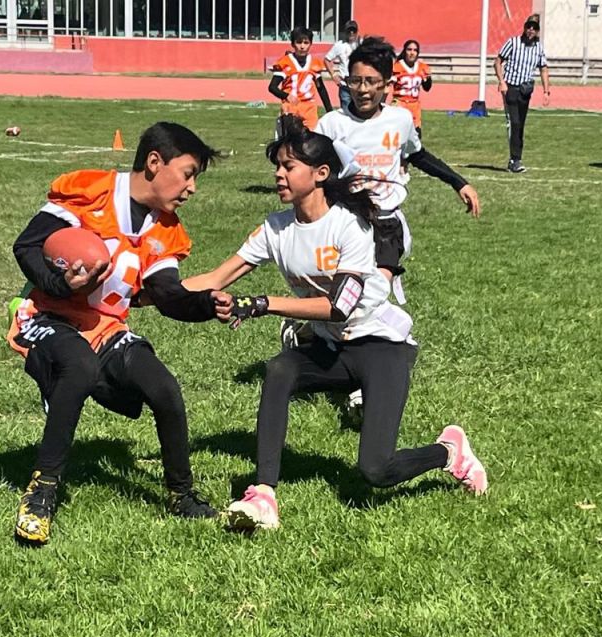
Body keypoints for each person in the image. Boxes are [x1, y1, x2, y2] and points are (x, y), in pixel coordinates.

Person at [183, 119, 488, 530]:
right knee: (280, 369)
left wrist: (262, 304)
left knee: (376, 471)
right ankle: (264, 495)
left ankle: (448, 452)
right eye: (277, 165)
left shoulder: (350, 225)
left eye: (289, 166)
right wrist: (145, 291)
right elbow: (214, 280)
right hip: (331, 350)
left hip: (381, 347)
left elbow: (339, 307)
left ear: (321, 174)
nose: (278, 173)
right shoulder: (276, 228)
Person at [6, 122, 232, 544]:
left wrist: (208, 305)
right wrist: (61, 284)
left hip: (104, 325)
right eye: (188, 173)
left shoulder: (165, 229)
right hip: (48, 314)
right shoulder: (90, 193)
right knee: (79, 367)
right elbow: (27, 246)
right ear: (154, 162)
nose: (192, 188)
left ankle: (181, 494)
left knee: (164, 387)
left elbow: (166, 295)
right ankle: (41, 491)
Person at [315, 37, 480, 415]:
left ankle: (364, 384)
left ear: (387, 85)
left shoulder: (400, 119)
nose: (363, 89)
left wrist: (460, 182)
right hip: (346, 225)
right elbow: (314, 171)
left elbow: (418, 155)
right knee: (346, 302)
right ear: (346, 82)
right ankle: (315, 338)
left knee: (371, 297)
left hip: (386, 226)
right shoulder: (331, 125)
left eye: (372, 81)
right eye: (356, 81)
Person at [494, 17, 550, 173]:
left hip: (526, 90)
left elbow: (543, 68)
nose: (531, 30)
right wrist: (502, 81)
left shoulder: (539, 48)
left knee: (521, 125)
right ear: (524, 28)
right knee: (514, 123)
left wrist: (546, 91)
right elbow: (498, 61)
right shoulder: (513, 43)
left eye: (534, 28)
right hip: (511, 87)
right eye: (529, 27)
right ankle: (514, 159)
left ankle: (517, 158)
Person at [268, 26, 332, 131]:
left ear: (310, 44)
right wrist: (286, 96)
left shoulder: (314, 63)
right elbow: (272, 87)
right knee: (291, 142)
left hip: (309, 109)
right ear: (293, 44)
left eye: (306, 43)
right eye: (299, 42)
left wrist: (329, 111)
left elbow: (321, 89)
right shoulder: (285, 62)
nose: (302, 46)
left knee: (310, 143)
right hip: (291, 107)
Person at [391, 39, 432, 137]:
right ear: (404, 51)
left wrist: (428, 79)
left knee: (416, 138)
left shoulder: (422, 67)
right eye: (409, 49)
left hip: (414, 106)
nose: (412, 53)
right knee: (399, 136)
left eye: (415, 50)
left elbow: (427, 88)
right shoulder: (396, 67)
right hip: (399, 104)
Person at [324, 20, 360, 112]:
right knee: (346, 113)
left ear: (357, 31)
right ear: (345, 32)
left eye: (353, 30)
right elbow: (327, 60)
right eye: (349, 31)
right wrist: (333, 75)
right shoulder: (339, 45)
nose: (351, 33)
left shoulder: (361, 44)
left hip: (359, 84)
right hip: (345, 85)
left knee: (360, 112)